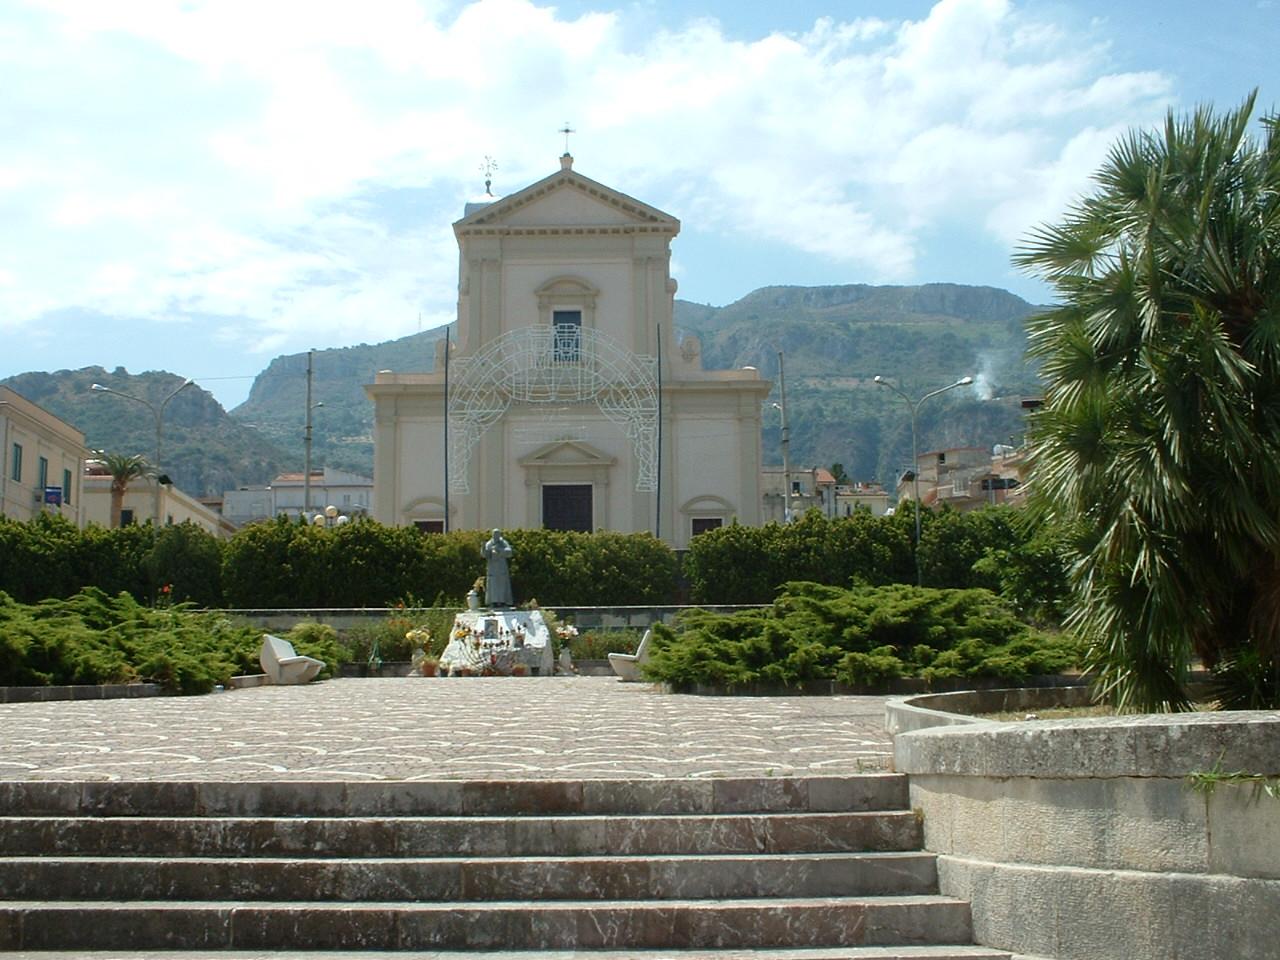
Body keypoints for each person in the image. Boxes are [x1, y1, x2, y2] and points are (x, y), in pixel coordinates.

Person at [482, 528, 514, 607]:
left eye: (497, 534)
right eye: (494, 534)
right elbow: (485, 555)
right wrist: (483, 549)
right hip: (492, 569)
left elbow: (509, 552)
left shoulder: (503, 543)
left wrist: (500, 550)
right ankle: (493, 602)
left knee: (502, 585)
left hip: (501, 568)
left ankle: (503, 602)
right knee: (493, 586)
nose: (496, 536)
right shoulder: (489, 544)